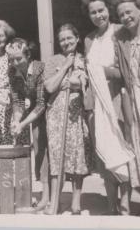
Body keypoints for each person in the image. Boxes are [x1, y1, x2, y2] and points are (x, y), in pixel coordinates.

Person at [82, 0, 134, 215]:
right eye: (93, 12)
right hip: (97, 105)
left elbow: (125, 72)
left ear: (108, 10)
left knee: (122, 150)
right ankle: (111, 202)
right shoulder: (88, 39)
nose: (97, 15)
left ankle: (126, 202)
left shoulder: (119, 32)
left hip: (117, 99)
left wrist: (99, 70)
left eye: (101, 10)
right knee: (104, 154)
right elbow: (87, 72)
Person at [44, 23, 92, 215]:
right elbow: (48, 87)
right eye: (62, 39)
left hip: (75, 113)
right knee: (57, 157)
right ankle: (55, 201)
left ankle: (76, 203)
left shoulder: (85, 60)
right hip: (55, 114)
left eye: (69, 38)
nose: (66, 42)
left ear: (77, 38)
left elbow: (83, 83)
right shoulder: (53, 60)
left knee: (77, 155)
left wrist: (64, 81)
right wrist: (65, 67)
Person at [5, 38, 49, 212]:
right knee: (37, 151)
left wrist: (22, 123)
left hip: (50, 110)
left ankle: (46, 197)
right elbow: (18, 101)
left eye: (19, 59)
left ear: (28, 55)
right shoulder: (12, 71)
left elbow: (41, 103)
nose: (15, 63)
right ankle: (43, 195)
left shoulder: (40, 68)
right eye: (12, 60)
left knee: (44, 152)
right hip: (34, 113)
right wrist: (16, 121)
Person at [108, 0, 140, 195]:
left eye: (129, 12)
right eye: (121, 14)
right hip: (134, 99)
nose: (125, 17)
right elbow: (119, 71)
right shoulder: (121, 39)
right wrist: (99, 69)